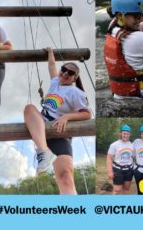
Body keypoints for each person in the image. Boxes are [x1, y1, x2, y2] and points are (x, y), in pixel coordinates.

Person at [23, 47, 92, 195]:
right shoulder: (55, 81)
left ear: (74, 78)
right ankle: (44, 151)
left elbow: (87, 114)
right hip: (42, 123)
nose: (65, 73)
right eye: (64, 69)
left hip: (59, 133)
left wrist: (66, 117)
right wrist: (50, 52)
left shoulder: (76, 92)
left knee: (65, 176)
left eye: (71, 73)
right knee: (29, 108)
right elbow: (51, 66)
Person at [107, 124, 134, 194]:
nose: (125, 135)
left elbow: (133, 157)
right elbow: (109, 158)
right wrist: (110, 171)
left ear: (130, 134)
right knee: (117, 190)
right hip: (118, 170)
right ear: (121, 133)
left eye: (127, 134)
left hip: (129, 170)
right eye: (124, 133)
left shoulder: (131, 145)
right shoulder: (114, 145)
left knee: (126, 188)